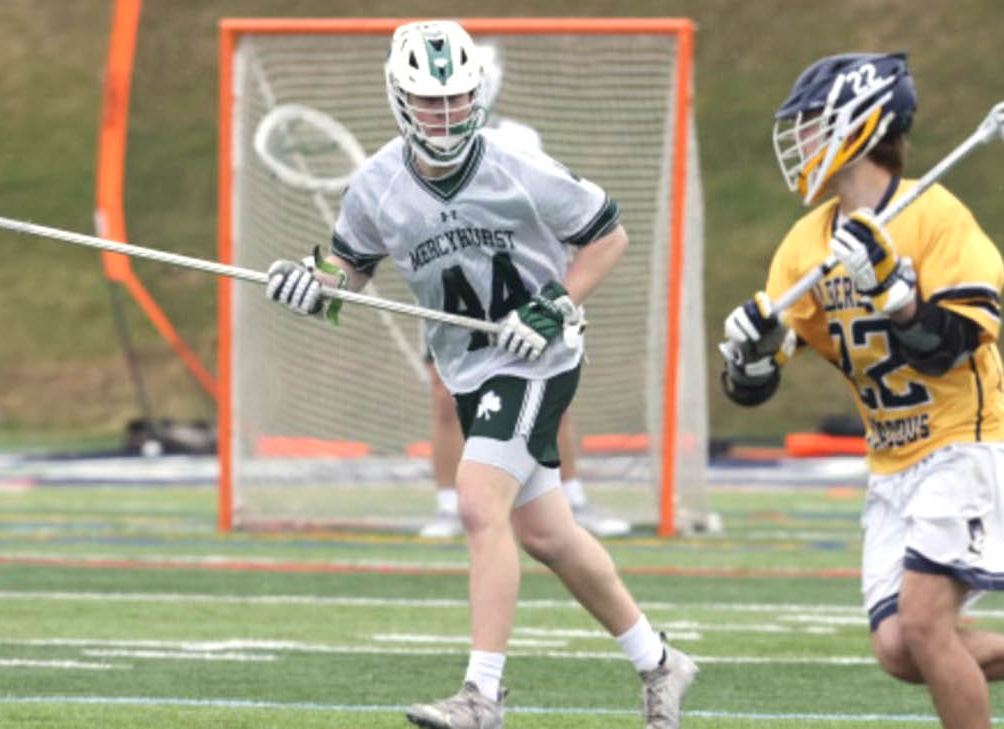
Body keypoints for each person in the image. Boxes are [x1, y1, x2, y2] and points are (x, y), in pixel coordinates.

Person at [264, 20, 696, 729]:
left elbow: (607, 234)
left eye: (458, 98)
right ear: (401, 99)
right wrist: (309, 284)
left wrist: (555, 303)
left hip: (537, 358)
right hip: (468, 368)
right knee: (548, 535)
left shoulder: (516, 165)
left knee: (475, 502)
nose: (446, 113)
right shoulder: (376, 184)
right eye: (430, 101)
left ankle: (482, 696)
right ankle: (659, 661)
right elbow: (348, 271)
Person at [720, 53, 1004, 729]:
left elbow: (955, 347)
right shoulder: (806, 244)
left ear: (860, 124)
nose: (803, 139)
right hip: (893, 462)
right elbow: (752, 390)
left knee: (926, 623)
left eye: (814, 123)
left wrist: (894, 294)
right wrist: (751, 357)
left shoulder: (935, 218)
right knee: (901, 648)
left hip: (963, 445)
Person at [419, 41, 631, 540]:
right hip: (454, 288)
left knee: (551, 390)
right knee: (447, 396)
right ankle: (450, 503)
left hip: (522, 284)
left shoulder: (517, 140)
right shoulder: (414, 150)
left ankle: (572, 498)